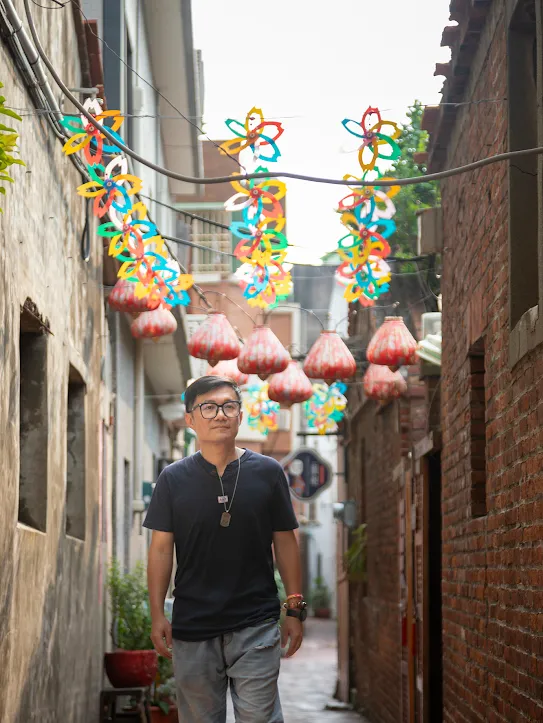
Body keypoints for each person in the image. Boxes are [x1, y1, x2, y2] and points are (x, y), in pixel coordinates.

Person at [143, 375, 306, 723]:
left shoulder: (269, 472)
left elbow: (286, 542)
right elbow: (160, 550)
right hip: (192, 627)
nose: (220, 414)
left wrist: (295, 610)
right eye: (209, 407)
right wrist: (157, 613)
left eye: (228, 406)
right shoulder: (172, 479)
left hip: (256, 624)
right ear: (190, 419)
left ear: (240, 415)